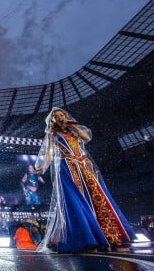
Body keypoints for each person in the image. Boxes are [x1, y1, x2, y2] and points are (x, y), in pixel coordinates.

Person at [34, 107, 135, 253]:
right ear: (52, 120)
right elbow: (49, 153)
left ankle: (114, 239)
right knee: (75, 202)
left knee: (98, 198)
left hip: (83, 165)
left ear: (66, 116)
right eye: (56, 116)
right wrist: (43, 167)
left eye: (62, 114)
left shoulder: (73, 129)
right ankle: (88, 241)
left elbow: (86, 138)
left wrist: (73, 126)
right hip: (66, 168)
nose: (59, 117)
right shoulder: (52, 133)